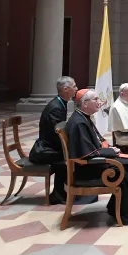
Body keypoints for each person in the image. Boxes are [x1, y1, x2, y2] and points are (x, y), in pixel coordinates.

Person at [66, 89, 128, 225]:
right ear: (84, 103)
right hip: (90, 169)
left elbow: (96, 143)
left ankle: (125, 208)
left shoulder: (83, 117)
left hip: (97, 162)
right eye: (96, 99)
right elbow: (86, 154)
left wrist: (109, 149)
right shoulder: (79, 122)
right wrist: (110, 152)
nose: (99, 102)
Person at [28, 76, 77, 204]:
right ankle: (58, 195)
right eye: (74, 86)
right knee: (66, 159)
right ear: (66, 89)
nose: (76, 89)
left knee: (70, 155)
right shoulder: (56, 107)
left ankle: (64, 192)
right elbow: (56, 134)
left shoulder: (60, 103)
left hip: (50, 146)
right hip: (43, 150)